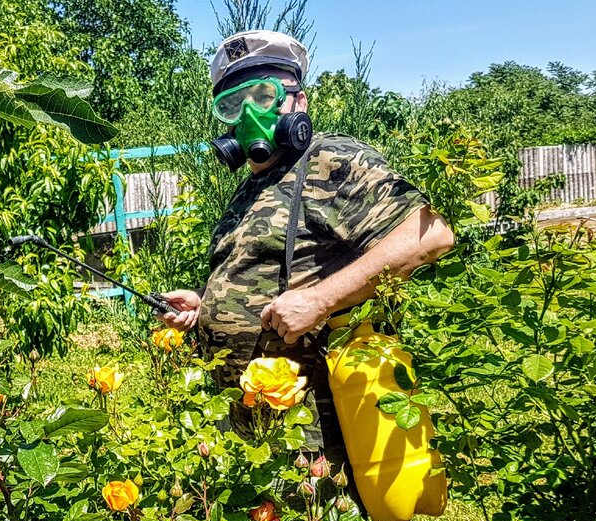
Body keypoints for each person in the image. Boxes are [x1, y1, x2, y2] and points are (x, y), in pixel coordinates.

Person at [160, 29, 455, 474]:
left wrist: (320, 301)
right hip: (252, 431)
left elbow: (429, 236)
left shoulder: (330, 157)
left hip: (313, 434)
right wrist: (207, 307)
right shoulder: (250, 187)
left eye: (264, 96)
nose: (249, 115)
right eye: (232, 105)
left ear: (299, 101)